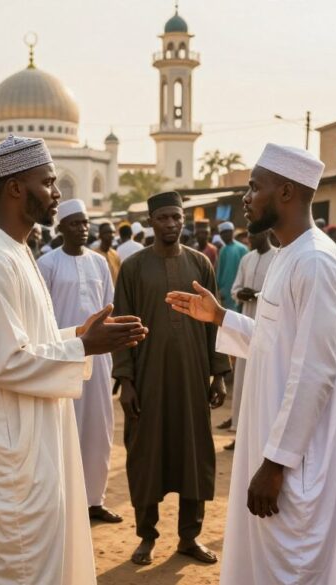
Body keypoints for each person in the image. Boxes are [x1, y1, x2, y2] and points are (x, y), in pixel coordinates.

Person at [0, 136, 146, 584]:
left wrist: (78, 333)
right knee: (22, 567)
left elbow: (25, 339)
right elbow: (3, 361)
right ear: (16, 188)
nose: (57, 192)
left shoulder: (15, 250)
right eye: (48, 181)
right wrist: (83, 347)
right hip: (13, 456)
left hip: (32, 443)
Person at [166, 143, 336, 584]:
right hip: (278, 448)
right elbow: (279, 342)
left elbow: (315, 369)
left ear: (287, 192)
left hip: (299, 460)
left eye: (255, 187)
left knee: (293, 568)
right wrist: (221, 317)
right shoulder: (286, 254)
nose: (246, 197)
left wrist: (276, 463)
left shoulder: (314, 260)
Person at [113, 191, 230, 567]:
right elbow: (122, 327)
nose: (171, 224)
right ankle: (146, 536)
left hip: (193, 378)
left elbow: (215, 323)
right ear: (151, 222)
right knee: (146, 456)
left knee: (193, 455)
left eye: (176, 217)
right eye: (163, 218)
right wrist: (126, 380)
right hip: (148, 380)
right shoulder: (133, 268)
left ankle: (189, 537)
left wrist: (219, 374)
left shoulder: (200, 264)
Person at [38, 199, 122, 524]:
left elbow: (108, 309)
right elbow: (42, 316)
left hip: (98, 359)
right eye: (75, 223)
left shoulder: (100, 264)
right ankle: (65, 501)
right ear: (61, 228)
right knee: (64, 425)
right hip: (64, 355)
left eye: (85, 223)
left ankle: (93, 500)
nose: (82, 229)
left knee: (99, 426)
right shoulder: (47, 264)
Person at [224, 228, 277, 444]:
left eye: (253, 235)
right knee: (243, 378)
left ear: (265, 234)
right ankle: (240, 434)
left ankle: (262, 436)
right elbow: (234, 289)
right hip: (246, 319)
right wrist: (241, 293)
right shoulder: (246, 259)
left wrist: (258, 295)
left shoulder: (277, 257)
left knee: (265, 378)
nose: (249, 239)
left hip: (268, 323)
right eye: (248, 235)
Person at [215, 222, 247, 312]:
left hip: (239, 290)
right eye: (222, 233)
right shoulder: (222, 250)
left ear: (232, 232)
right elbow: (219, 272)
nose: (224, 235)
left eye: (227, 232)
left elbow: (246, 271)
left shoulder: (242, 249)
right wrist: (219, 290)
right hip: (225, 292)